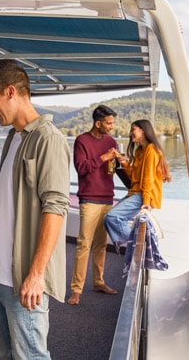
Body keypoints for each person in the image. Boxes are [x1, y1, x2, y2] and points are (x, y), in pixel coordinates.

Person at [0, 59, 70, 360]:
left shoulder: (48, 139)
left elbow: (55, 209)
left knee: (31, 356)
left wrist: (36, 274)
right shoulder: (13, 138)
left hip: (24, 278)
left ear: (10, 92)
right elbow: (17, 198)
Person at [67, 105, 120, 305]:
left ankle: (99, 282)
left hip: (107, 199)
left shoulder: (111, 142)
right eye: (109, 123)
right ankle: (76, 290)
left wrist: (118, 161)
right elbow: (82, 168)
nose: (112, 127)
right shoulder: (82, 141)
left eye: (112, 123)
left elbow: (111, 171)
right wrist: (104, 157)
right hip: (89, 199)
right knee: (83, 245)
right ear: (98, 123)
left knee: (101, 245)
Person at [104, 119, 171, 248]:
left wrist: (146, 202)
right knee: (108, 218)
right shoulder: (140, 151)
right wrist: (123, 162)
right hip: (135, 192)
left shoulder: (151, 150)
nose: (130, 133)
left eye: (133, 129)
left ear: (143, 130)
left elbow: (148, 178)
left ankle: (135, 248)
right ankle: (132, 247)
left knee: (113, 217)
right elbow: (134, 175)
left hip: (143, 195)